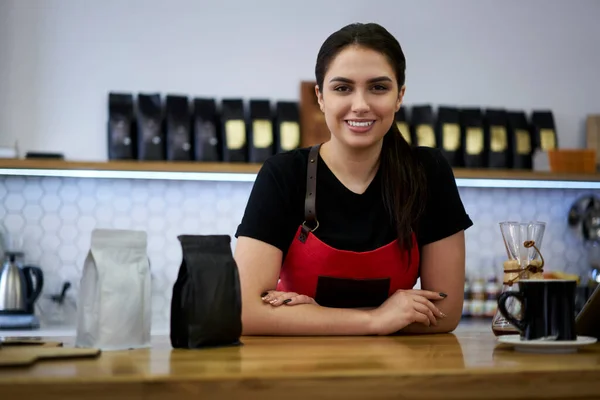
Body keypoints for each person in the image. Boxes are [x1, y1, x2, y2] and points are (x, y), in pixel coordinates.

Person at [234, 22, 473, 336]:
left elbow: (445, 312)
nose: (360, 105)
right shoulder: (284, 175)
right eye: (342, 88)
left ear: (399, 96)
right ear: (320, 97)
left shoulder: (429, 173)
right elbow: (245, 312)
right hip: (295, 374)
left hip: (399, 375)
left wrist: (311, 317)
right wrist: (376, 320)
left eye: (378, 87)